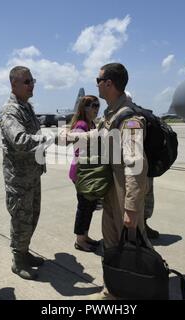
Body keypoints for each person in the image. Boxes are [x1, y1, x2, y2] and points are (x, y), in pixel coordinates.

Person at [96, 63, 151, 299]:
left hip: (124, 190)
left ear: (109, 83)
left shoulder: (129, 119)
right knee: (111, 243)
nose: (96, 84)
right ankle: (114, 289)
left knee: (134, 245)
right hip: (112, 189)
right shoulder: (111, 114)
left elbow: (136, 166)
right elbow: (101, 136)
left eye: (98, 80)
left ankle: (145, 285)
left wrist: (131, 207)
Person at [0, 66, 54, 281]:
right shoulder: (10, 110)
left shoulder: (27, 107)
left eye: (33, 81)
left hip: (32, 174)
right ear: (14, 84)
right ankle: (18, 260)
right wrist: (49, 138)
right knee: (21, 219)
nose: (32, 85)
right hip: (19, 178)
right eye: (27, 82)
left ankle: (24, 251)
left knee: (32, 217)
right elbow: (20, 140)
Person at [68, 95, 101, 253]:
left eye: (97, 105)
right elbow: (79, 150)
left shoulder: (92, 124)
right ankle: (80, 241)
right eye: (93, 105)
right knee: (84, 206)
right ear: (85, 108)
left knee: (90, 206)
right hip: (81, 173)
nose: (96, 108)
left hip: (89, 172)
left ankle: (85, 236)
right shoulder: (81, 125)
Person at [125, 92, 159, 239]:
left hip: (136, 167)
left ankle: (138, 230)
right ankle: (142, 226)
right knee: (146, 196)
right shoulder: (145, 115)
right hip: (150, 164)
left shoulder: (131, 119)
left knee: (135, 198)